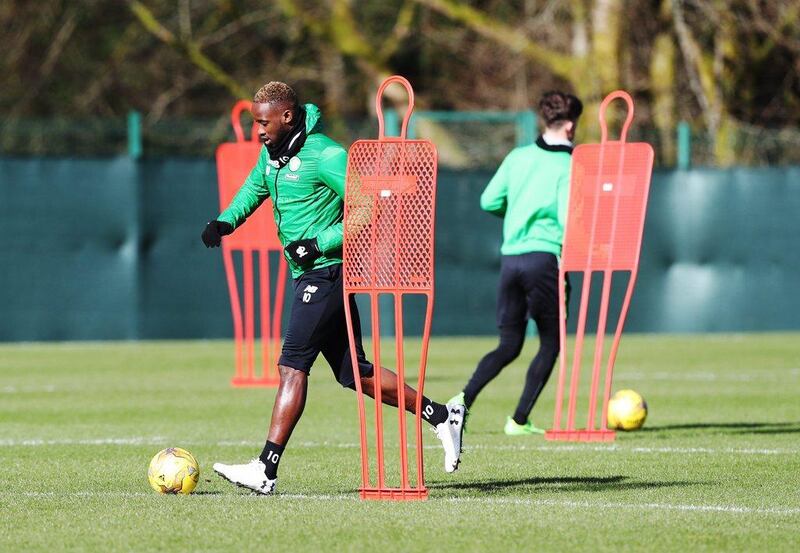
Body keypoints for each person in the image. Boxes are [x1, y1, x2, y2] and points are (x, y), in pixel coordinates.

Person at [202, 82, 465, 494]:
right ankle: (441, 415)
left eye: (263, 122)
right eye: (255, 122)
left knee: (292, 365)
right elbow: (254, 189)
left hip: (327, 272)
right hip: (307, 274)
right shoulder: (272, 153)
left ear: (287, 117)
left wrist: (318, 242)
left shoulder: (325, 154)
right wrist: (225, 221)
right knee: (354, 374)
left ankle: (266, 468)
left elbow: (367, 208)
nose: (258, 131)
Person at [449, 91, 583, 435]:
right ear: (569, 127)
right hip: (545, 260)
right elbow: (570, 220)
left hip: (512, 260)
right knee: (551, 343)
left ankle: (461, 402)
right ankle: (519, 420)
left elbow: (489, 200)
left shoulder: (518, 156)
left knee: (508, 345)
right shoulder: (570, 165)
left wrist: (517, 214)